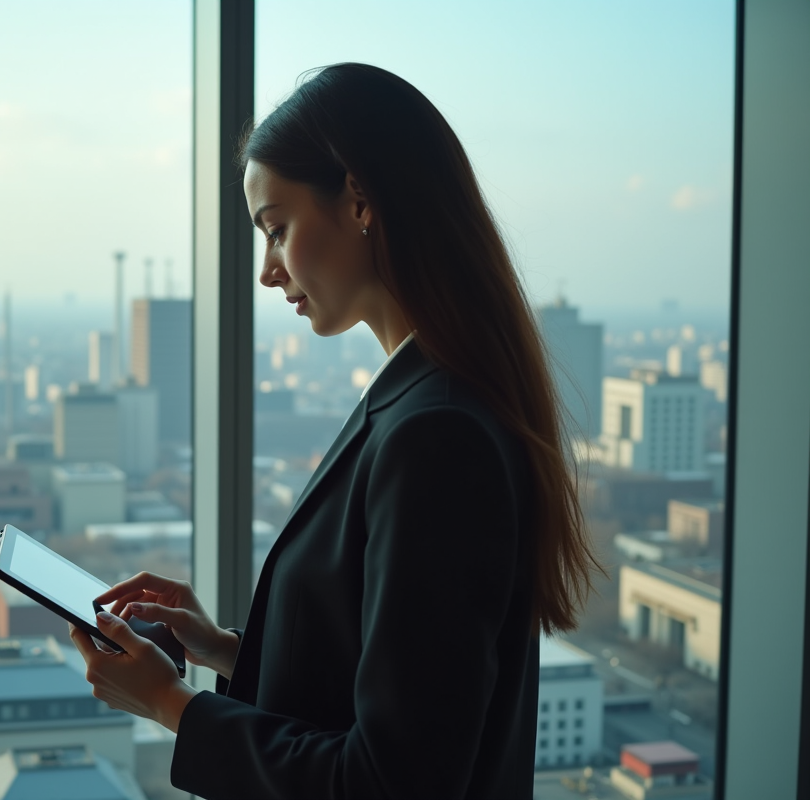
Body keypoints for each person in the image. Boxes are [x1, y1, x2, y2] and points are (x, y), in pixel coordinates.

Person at [68, 62, 601, 799]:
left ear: (357, 197)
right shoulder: (423, 401)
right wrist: (223, 647)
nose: (266, 271)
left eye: (276, 229)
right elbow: (389, 679)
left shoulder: (436, 434)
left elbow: (393, 780)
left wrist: (171, 704)